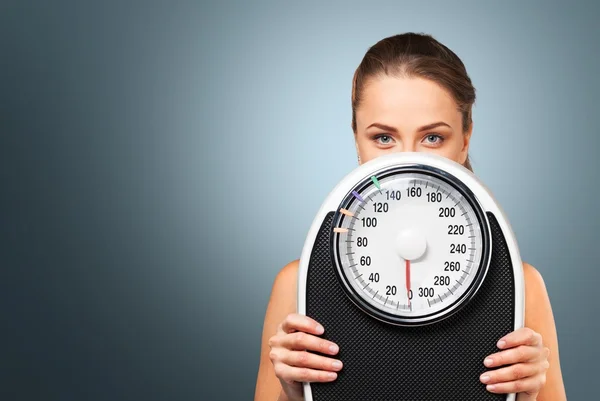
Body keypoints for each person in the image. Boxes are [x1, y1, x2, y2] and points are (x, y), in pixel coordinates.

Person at [254, 32, 567, 401]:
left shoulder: (521, 285)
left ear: (465, 138)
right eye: (384, 138)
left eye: (432, 138)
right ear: (357, 140)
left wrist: (525, 397)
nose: (409, 163)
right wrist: (294, 392)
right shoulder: (299, 284)